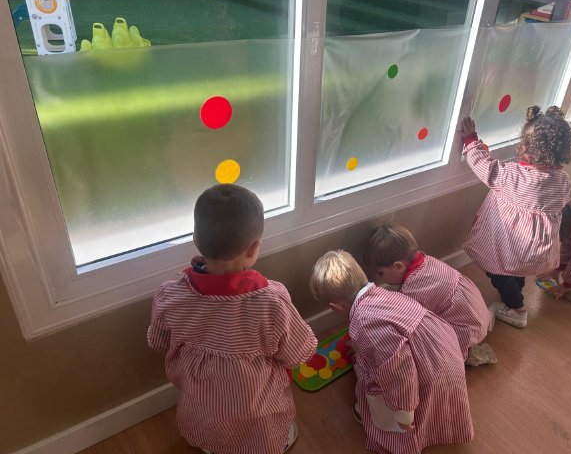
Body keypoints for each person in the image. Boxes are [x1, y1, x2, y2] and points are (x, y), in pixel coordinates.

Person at [147, 184, 317, 454]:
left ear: (195, 238)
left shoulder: (169, 296)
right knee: (265, 423)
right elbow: (299, 352)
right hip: (257, 415)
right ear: (253, 249)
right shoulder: (271, 302)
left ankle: (216, 447)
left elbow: (157, 342)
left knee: (211, 426)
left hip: (202, 412)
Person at [310, 250, 474, 454]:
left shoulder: (364, 323)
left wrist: (404, 413)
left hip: (432, 375)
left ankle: (405, 427)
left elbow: (400, 372)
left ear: (336, 307)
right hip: (446, 352)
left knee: (375, 384)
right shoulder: (383, 294)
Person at [459, 106, 571, 328]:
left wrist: (471, 140)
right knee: (515, 271)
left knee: (497, 272)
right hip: (534, 250)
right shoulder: (564, 182)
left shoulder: (513, 176)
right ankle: (516, 292)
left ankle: (517, 310)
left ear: (527, 149)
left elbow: (484, 166)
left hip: (512, 246)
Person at [364, 223, 495, 366]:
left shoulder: (413, 289)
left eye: (381, 273)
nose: (380, 278)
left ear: (399, 266)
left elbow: (411, 324)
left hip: (466, 329)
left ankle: (470, 351)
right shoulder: (427, 260)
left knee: (429, 347)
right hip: (477, 313)